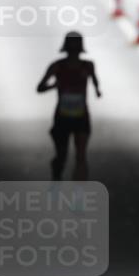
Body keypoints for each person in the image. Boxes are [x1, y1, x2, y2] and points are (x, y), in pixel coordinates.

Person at [36, 32, 101, 180]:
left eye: (75, 50)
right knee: (62, 156)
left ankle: (79, 192)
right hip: (63, 117)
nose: (73, 53)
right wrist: (54, 86)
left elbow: (96, 81)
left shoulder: (88, 66)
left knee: (81, 155)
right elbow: (39, 88)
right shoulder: (57, 66)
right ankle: (56, 179)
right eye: (72, 50)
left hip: (81, 116)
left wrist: (97, 90)